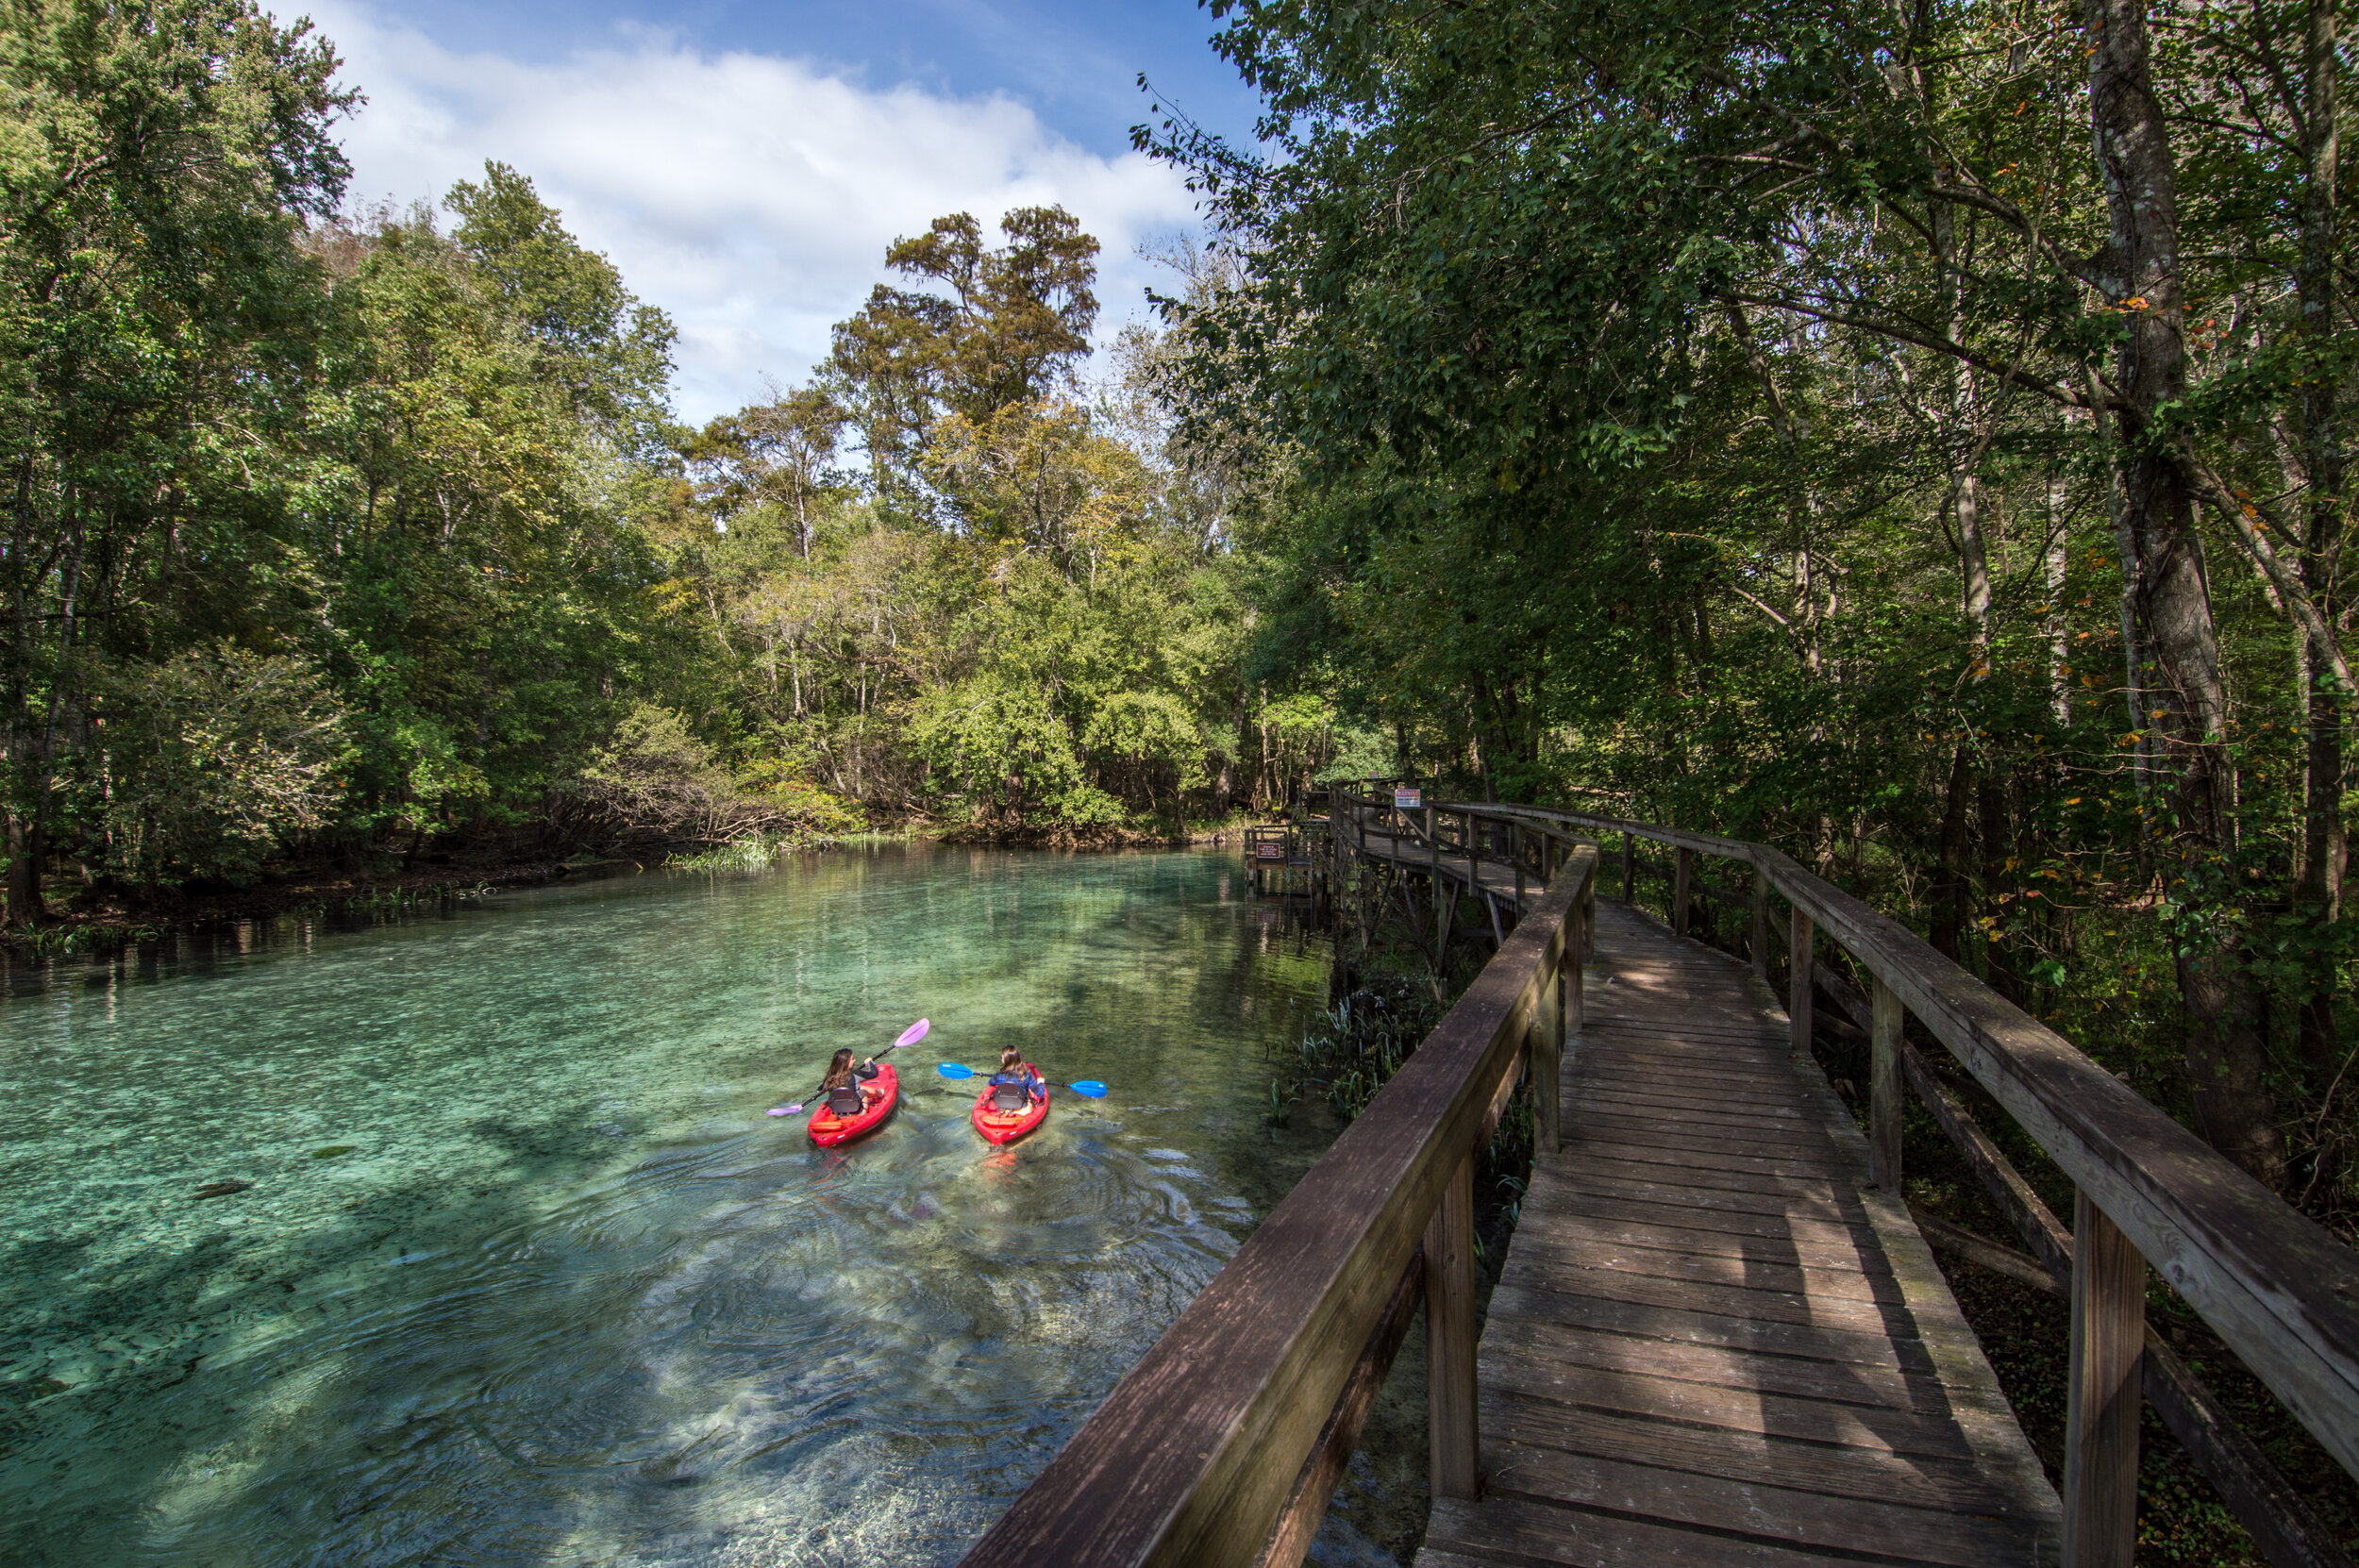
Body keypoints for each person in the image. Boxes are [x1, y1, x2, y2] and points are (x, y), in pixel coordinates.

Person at [815, 1048, 879, 1117]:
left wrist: (825, 1088)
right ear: (846, 1063)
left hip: (837, 1112)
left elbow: (819, 1091)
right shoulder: (855, 1074)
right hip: (856, 1111)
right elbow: (874, 1074)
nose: (855, 1060)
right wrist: (870, 1062)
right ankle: (863, 1114)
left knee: (860, 1089)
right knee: (863, 1091)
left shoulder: (829, 1078)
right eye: (852, 1059)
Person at [985, 1046, 1044, 1113]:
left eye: (1002, 1058)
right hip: (1021, 1108)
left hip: (1001, 1107)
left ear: (1005, 1060)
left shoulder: (998, 1074)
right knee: (1030, 1099)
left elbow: (990, 1083)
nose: (1001, 1059)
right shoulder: (1026, 1075)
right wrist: (1041, 1083)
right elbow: (1040, 1094)